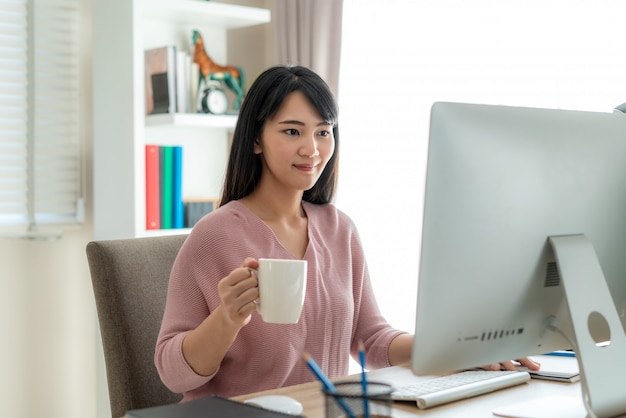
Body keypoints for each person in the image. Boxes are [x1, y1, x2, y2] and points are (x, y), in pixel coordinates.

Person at [154, 65, 539, 401]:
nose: (312, 149)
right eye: (292, 131)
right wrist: (227, 319)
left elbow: (369, 341)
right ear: (256, 140)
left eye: (324, 132)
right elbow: (173, 375)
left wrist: (452, 349)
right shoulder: (213, 236)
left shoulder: (340, 230)